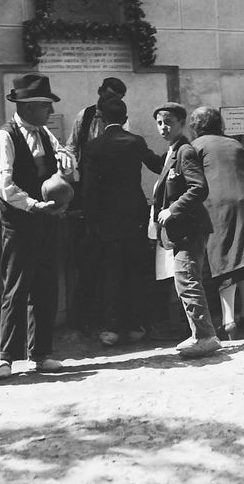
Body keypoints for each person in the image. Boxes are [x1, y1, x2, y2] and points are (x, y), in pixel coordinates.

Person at [0, 74, 76, 379]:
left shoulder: (43, 134)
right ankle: (5, 357)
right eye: (45, 106)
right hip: (19, 222)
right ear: (27, 107)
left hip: (46, 221)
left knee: (46, 285)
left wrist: (66, 162)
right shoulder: (4, 137)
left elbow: (63, 152)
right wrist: (35, 206)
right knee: (16, 286)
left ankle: (39, 354)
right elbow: (4, 185)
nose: (50, 113)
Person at [81, 96, 164, 346]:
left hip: (106, 218)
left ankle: (111, 328)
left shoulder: (94, 147)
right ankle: (137, 325)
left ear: (102, 119)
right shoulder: (135, 142)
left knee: (110, 272)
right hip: (134, 214)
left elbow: (88, 188)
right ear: (125, 119)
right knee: (135, 270)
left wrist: (90, 218)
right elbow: (157, 165)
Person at [189, 105, 244, 340]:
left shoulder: (196, 146)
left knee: (225, 258)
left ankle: (228, 322)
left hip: (219, 204)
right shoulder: (234, 143)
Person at [151, 102, 222, 359]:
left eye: (168, 122)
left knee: (188, 280)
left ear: (182, 124)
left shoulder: (185, 151)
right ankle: (200, 334)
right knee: (185, 281)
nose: (163, 127)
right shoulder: (173, 152)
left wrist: (173, 209)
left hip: (189, 227)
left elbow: (198, 188)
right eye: (159, 123)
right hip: (181, 230)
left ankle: (204, 336)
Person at [63, 77, 127, 330]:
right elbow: (71, 146)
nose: (111, 101)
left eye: (117, 98)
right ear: (100, 93)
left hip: (111, 188)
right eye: (108, 95)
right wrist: (68, 179)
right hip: (87, 183)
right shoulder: (86, 115)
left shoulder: (119, 118)